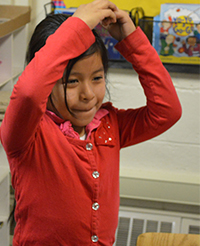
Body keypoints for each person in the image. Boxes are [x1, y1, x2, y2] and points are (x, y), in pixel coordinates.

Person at [0, 0, 182, 245]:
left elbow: (167, 111)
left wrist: (132, 41)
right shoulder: (27, 133)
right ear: (48, 80)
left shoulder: (109, 125)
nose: (87, 94)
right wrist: (78, 25)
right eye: (72, 82)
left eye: (97, 78)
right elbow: (29, 93)